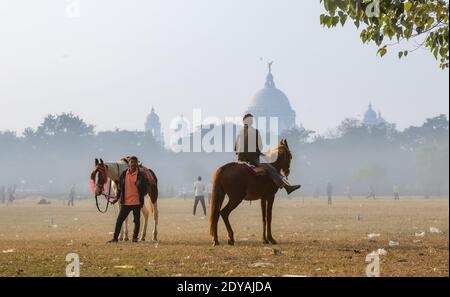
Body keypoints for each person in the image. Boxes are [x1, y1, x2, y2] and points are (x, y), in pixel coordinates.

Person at [234, 113, 300, 195]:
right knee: (271, 169)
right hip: (252, 158)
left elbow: (235, 148)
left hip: (240, 159)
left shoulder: (239, 132)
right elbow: (260, 147)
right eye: (251, 120)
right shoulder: (255, 131)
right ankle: (287, 188)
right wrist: (260, 153)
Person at [108, 156, 149, 243]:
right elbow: (119, 188)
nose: (133, 164)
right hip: (125, 203)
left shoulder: (141, 176)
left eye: (135, 162)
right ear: (129, 164)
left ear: (137, 164)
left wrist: (141, 197)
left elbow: (145, 188)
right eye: (131, 162)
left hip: (136, 203)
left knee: (136, 221)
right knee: (119, 221)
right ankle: (115, 238)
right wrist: (116, 198)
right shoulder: (123, 174)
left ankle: (134, 238)